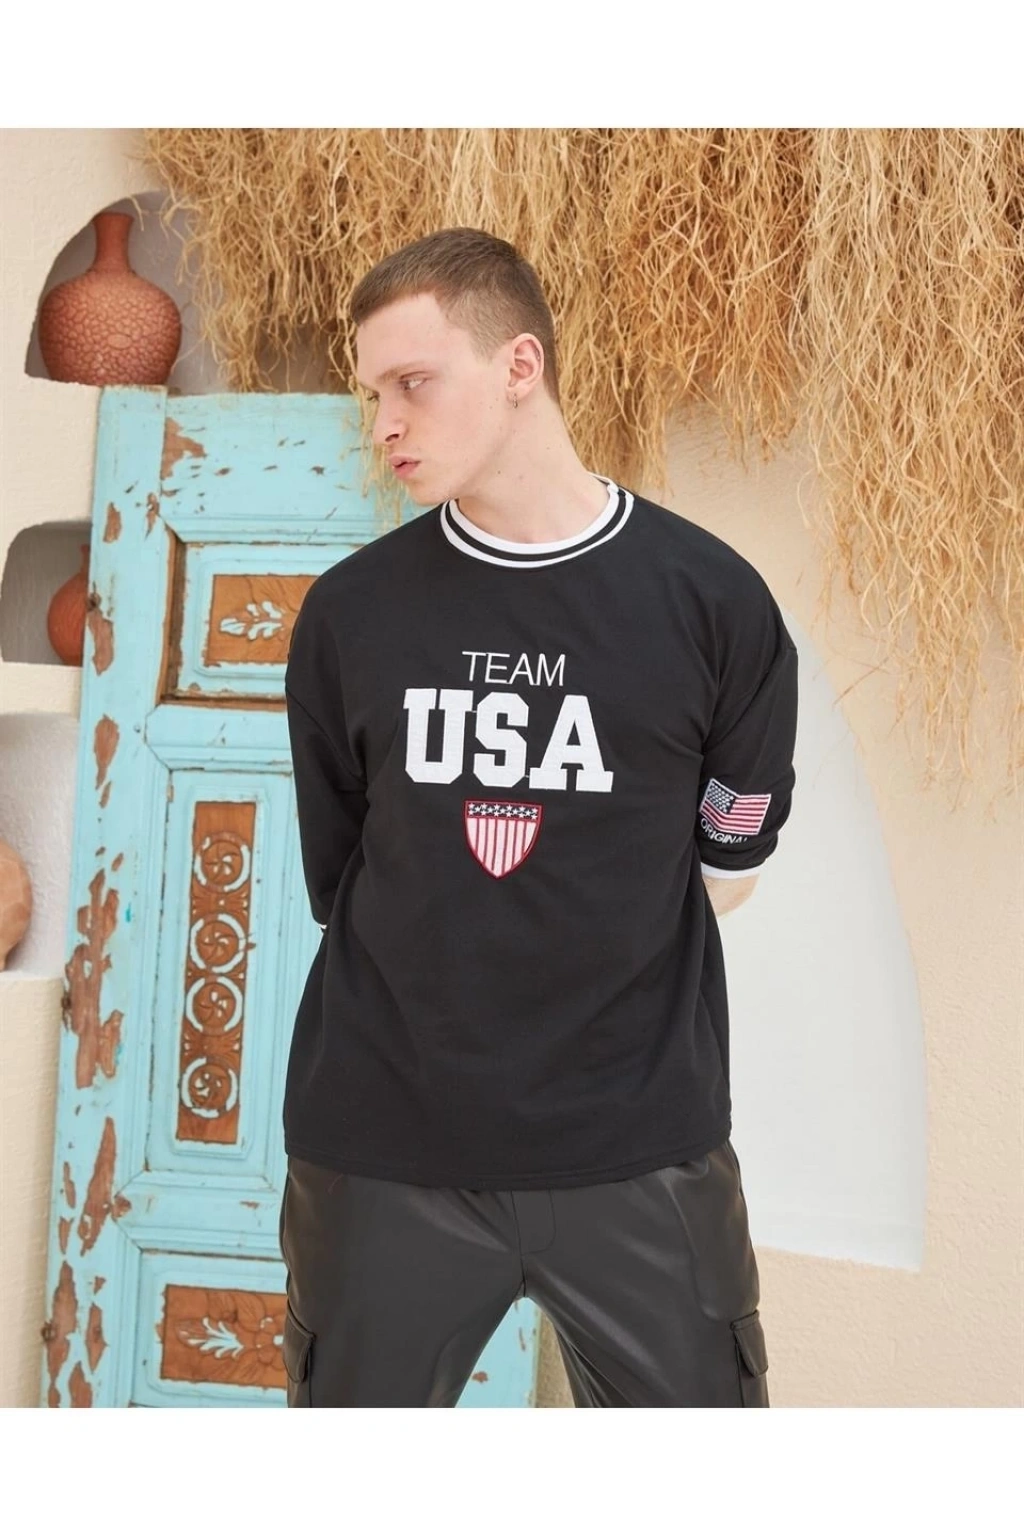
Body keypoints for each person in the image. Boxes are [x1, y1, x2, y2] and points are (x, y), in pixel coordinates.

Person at [279, 226, 799, 1407]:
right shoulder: (351, 616)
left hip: (639, 1151)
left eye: (413, 383)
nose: (384, 424)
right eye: (371, 396)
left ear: (520, 365)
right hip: (381, 1149)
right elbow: (347, 870)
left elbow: (728, 863)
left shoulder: (712, 603)